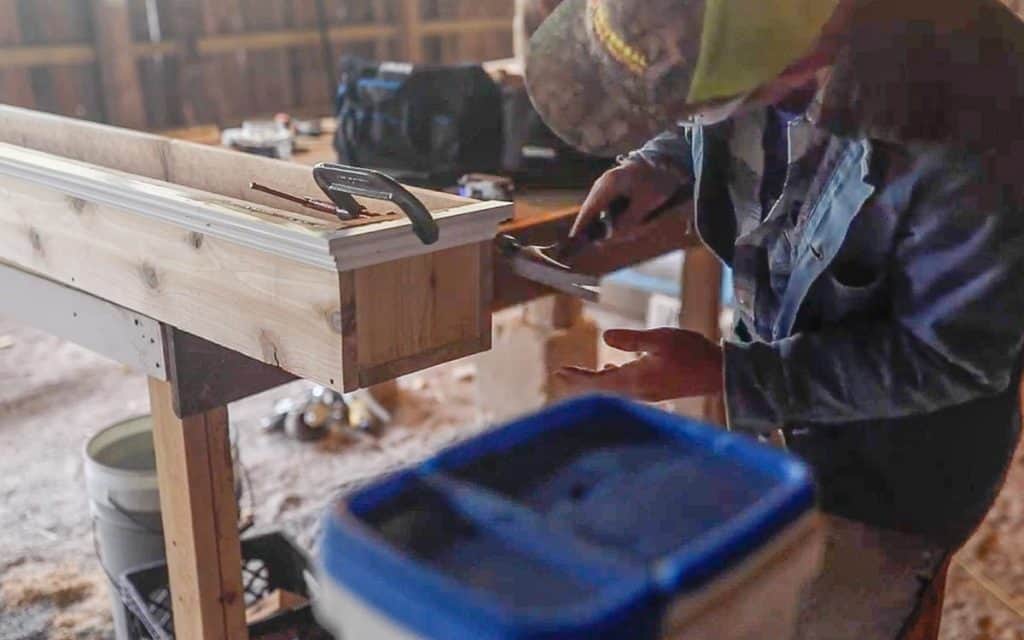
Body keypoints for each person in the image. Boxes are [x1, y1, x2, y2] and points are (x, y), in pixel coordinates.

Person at [524, 0, 1024, 638]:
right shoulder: (765, 32)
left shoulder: (983, 116)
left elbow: (954, 359)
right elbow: (714, 104)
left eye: (694, 107)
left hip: (891, 481)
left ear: (799, 62)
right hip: (782, 426)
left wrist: (731, 375)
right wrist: (658, 164)